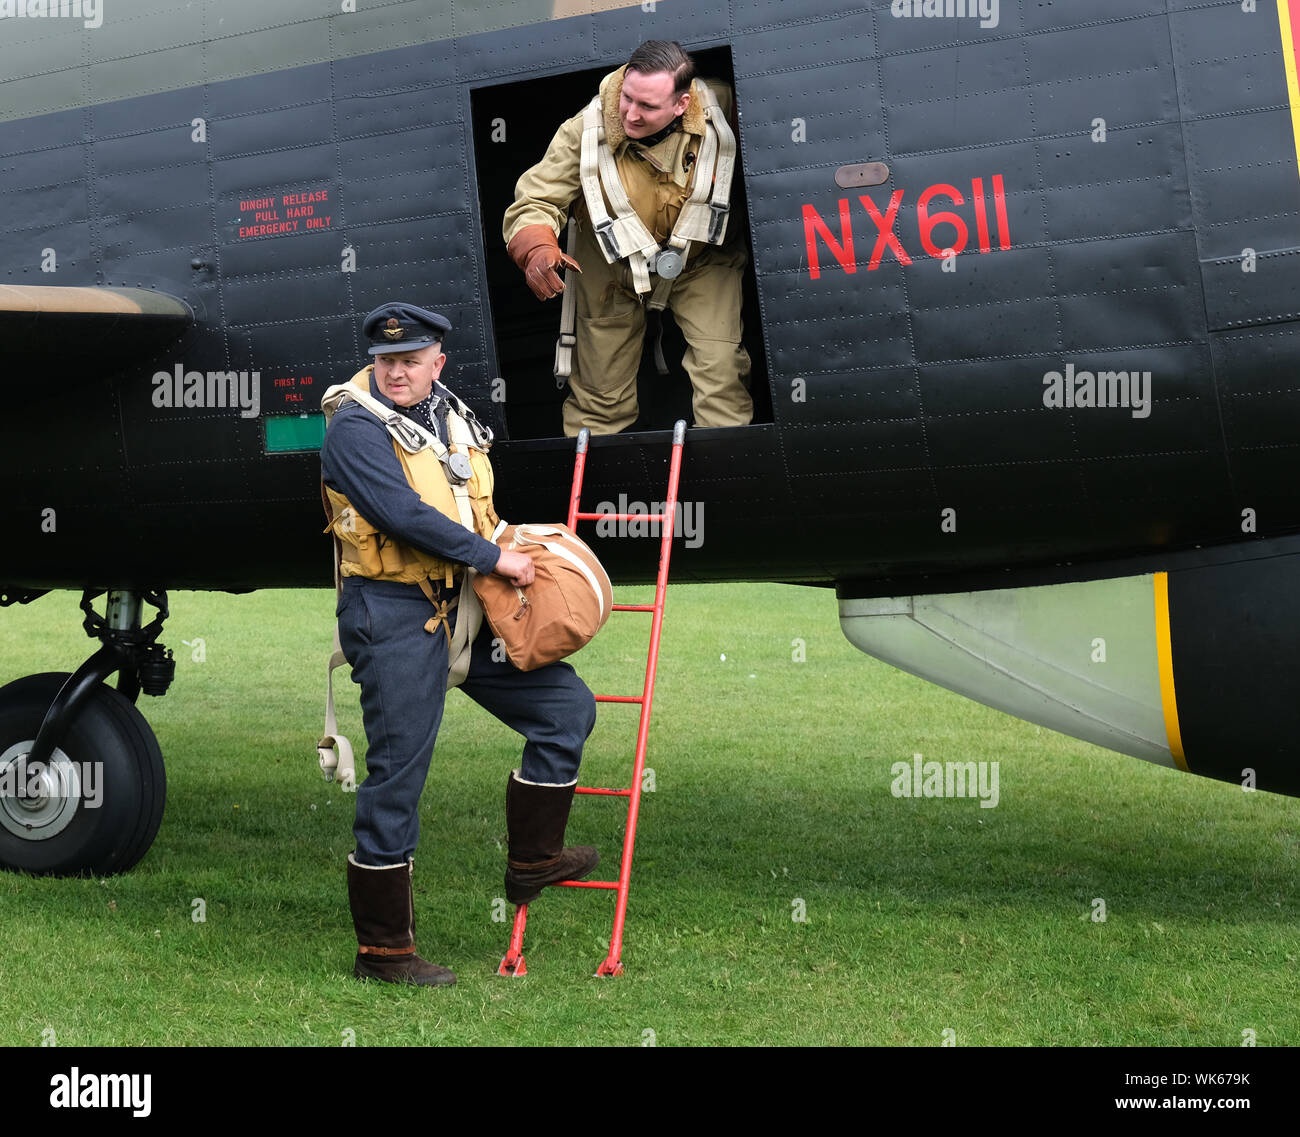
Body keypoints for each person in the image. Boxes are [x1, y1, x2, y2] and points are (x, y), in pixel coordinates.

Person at [319, 302, 599, 987]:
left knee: (566, 711)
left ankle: (532, 858)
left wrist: (514, 547)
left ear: (437, 361)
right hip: (389, 612)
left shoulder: (449, 414)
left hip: (463, 603)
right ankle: (383, 953)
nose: (396, 372)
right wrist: (492, 558)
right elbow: (399, 513)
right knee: (397, 777)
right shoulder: (354, 427)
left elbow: (469, 504)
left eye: (411, 360)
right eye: (386, 360)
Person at [503, 39, 754, 436]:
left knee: (722, 373)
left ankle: (732, 484)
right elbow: (535, 199)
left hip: (701, 263)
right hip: (609, 270)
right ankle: (594, 492)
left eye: (648, 106)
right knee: (600, 399)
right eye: (627, 98)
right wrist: (536, 247)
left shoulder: (722, 107)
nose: (631, 115)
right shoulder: (584, 132)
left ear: (681, 105)